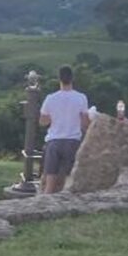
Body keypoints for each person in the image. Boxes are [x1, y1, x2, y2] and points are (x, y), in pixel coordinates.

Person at [38, 64, 90, 193]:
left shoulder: (50, 98)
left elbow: (42, 122)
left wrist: (54, 118)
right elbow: (85, 124)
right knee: (68, 180)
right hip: (73, 141)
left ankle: (44, 204)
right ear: (72, 79)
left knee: (50, 179)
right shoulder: (81, 98)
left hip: (54, 141)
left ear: (59, 79)